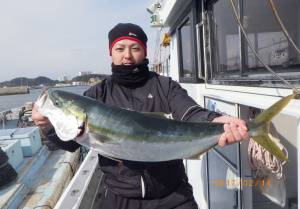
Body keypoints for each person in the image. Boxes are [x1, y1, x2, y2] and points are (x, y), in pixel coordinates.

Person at [32, 23, 248, 209]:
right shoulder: (98, 94)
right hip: (121, 198)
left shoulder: (165, 86)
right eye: (120, 48)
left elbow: (189, 111)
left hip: (174, 195)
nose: (127, 55)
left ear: (144, 51)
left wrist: (212, 121)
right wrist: (47, 126)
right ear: (111, 52)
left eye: (135, 48)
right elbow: (70, 143)